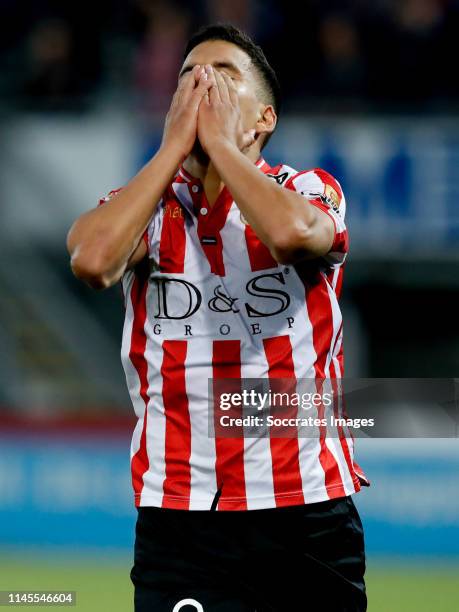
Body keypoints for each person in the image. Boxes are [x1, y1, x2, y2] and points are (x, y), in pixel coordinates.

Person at [67, 22, 369, 612]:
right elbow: (93, 261)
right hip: (181, 522)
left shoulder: (309, 188)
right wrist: (172, 150)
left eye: (224, 79)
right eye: (188, 80)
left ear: (264, 119)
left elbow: (289, 236)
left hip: (305, 515)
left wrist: (224, 149)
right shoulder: (147, 212)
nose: (202, 88)